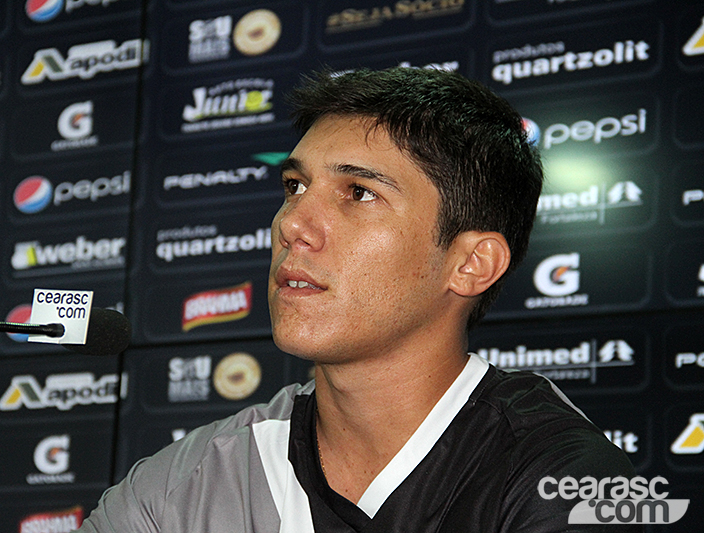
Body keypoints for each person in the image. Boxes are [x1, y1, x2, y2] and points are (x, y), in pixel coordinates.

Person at [76, 67, 640, 532]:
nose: (292, 224)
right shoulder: (183, 485)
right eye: (295, 186)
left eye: (360, 193)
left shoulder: (574, 484)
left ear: (471, 264)